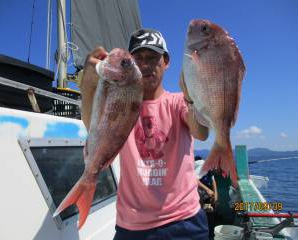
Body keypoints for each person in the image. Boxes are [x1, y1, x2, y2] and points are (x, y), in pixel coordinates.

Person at [80, 28, 210, 240]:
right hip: (132, 225)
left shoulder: (179, 102)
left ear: (166, 61)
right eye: (138, 58)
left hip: (184, 220)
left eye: (153, 57)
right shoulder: (120, 104)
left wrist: (192, 95)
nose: (146, 65)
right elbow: (91, 125)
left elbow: (202, 131)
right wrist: (88, 79)